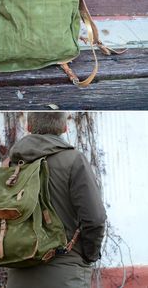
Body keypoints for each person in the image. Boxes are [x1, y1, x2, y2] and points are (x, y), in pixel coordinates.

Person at [6, 112, 107, 288]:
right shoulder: (74, 160)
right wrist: (88, 256)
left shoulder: (12, 165)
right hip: (66, 273)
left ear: (28, 127)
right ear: (64, 127)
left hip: (19, 274)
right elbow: (95, 218)